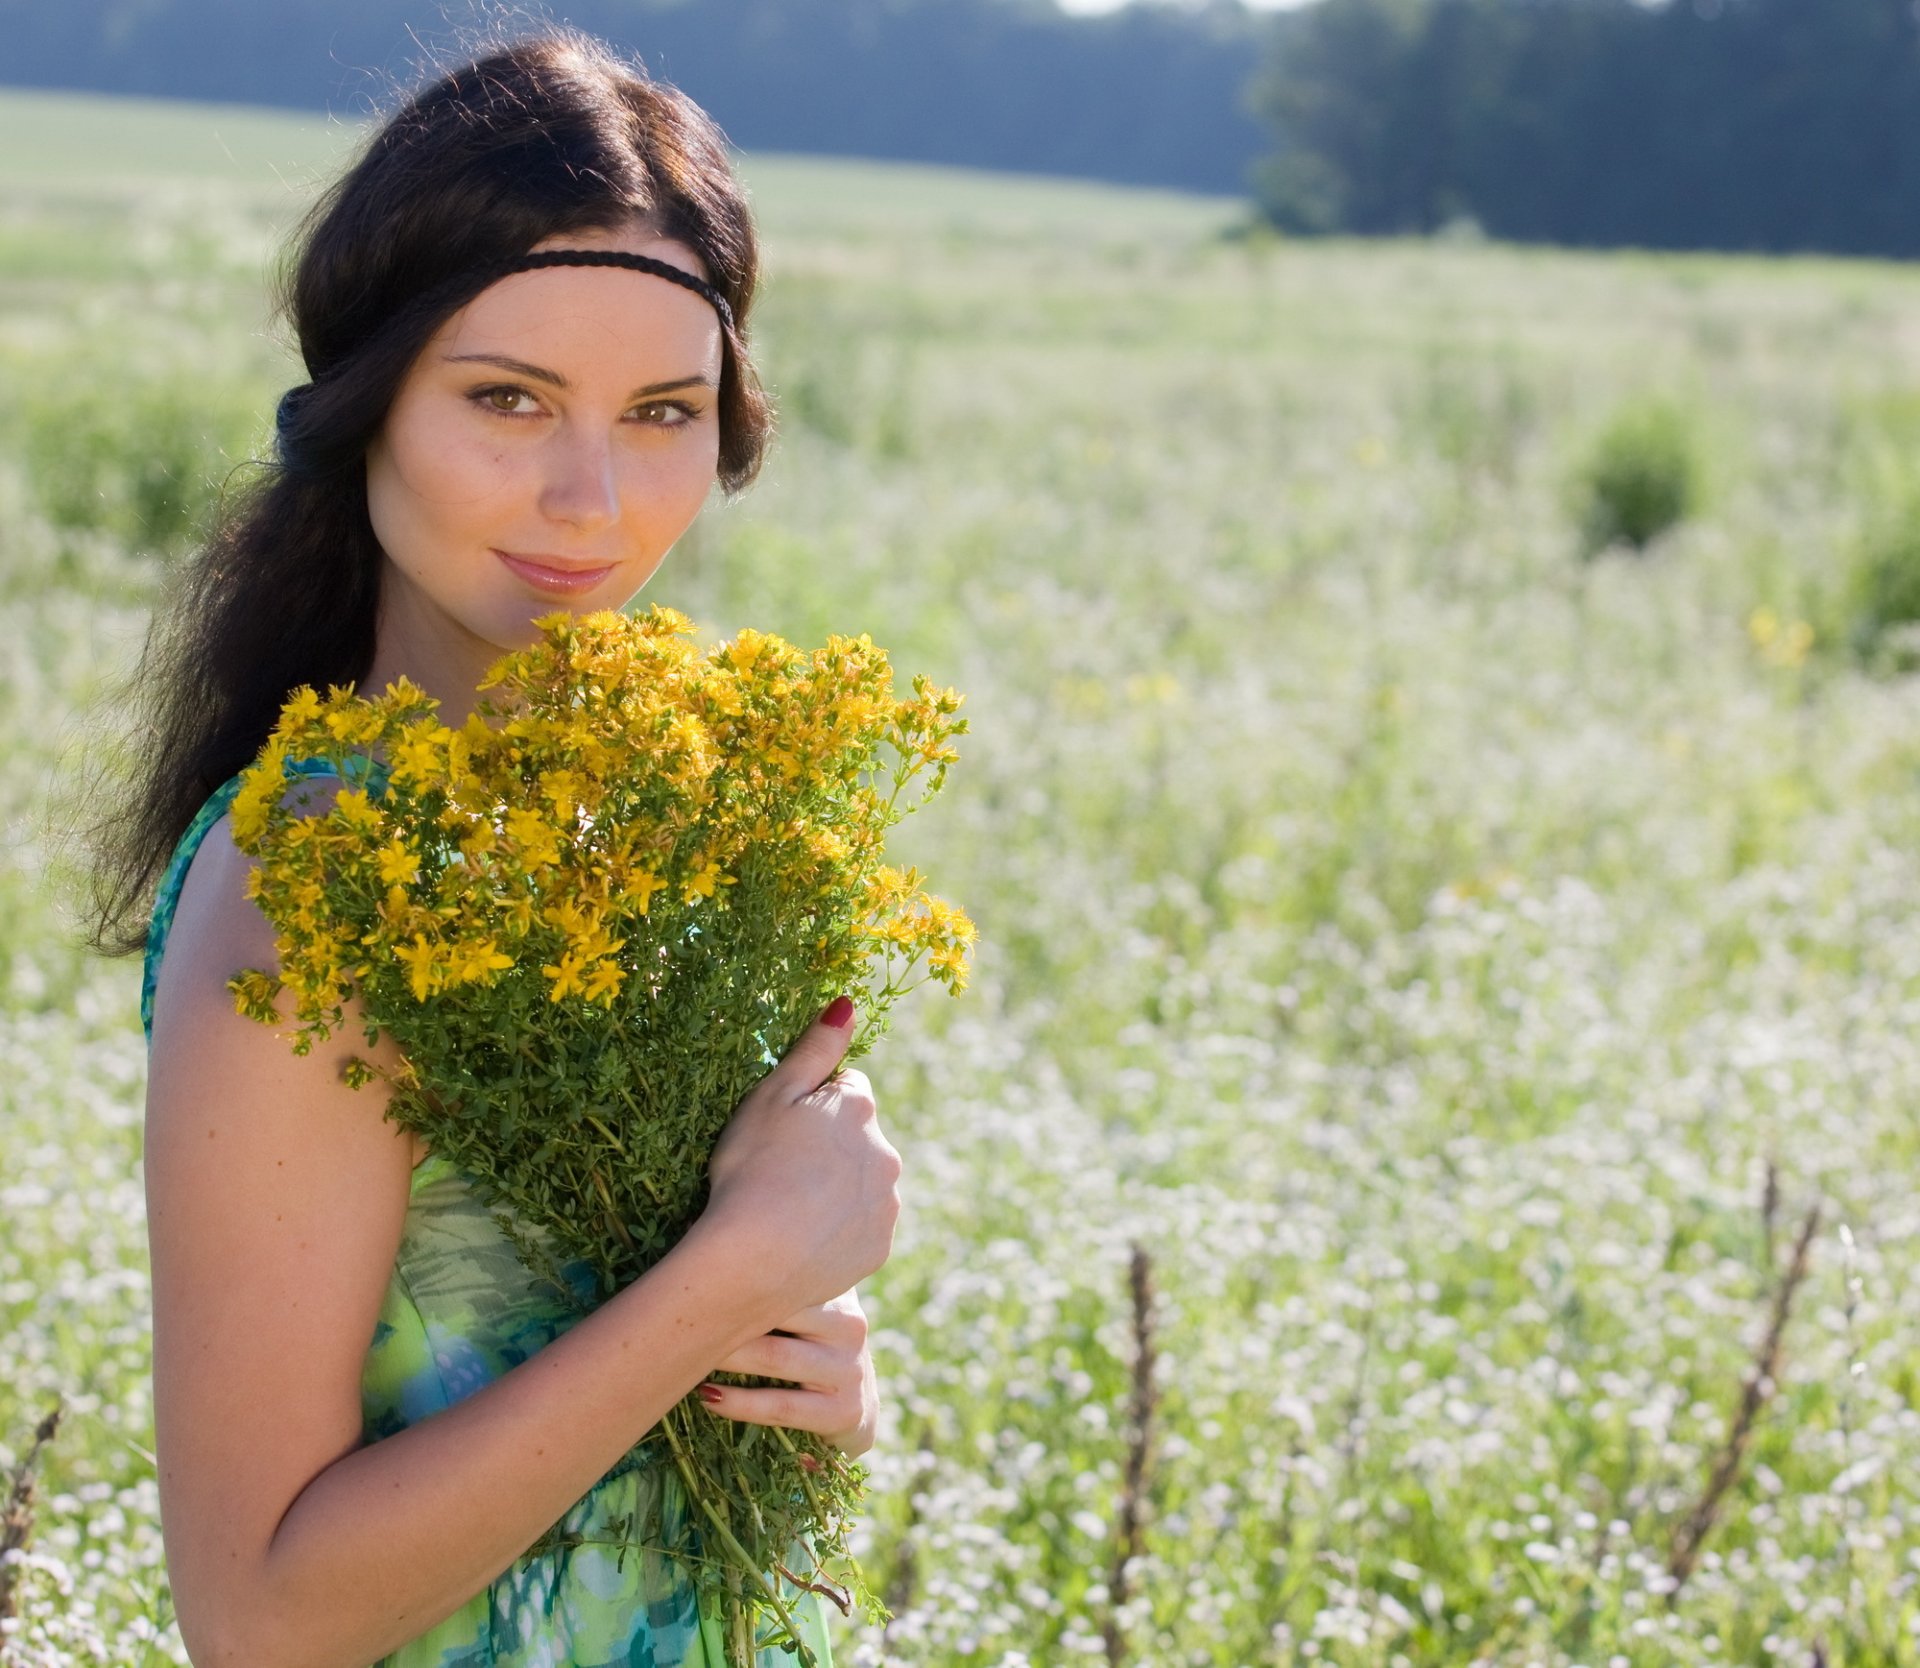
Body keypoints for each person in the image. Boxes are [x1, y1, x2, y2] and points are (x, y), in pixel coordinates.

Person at [92, 30, 901, 1668]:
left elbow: (581, 1393)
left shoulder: (642, 821)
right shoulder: (309, 882)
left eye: (663, 411)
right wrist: (726, 1278)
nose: (590, 499)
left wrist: (810, 1376)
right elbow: (259, 1619)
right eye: (507, 399)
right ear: (369, 405)